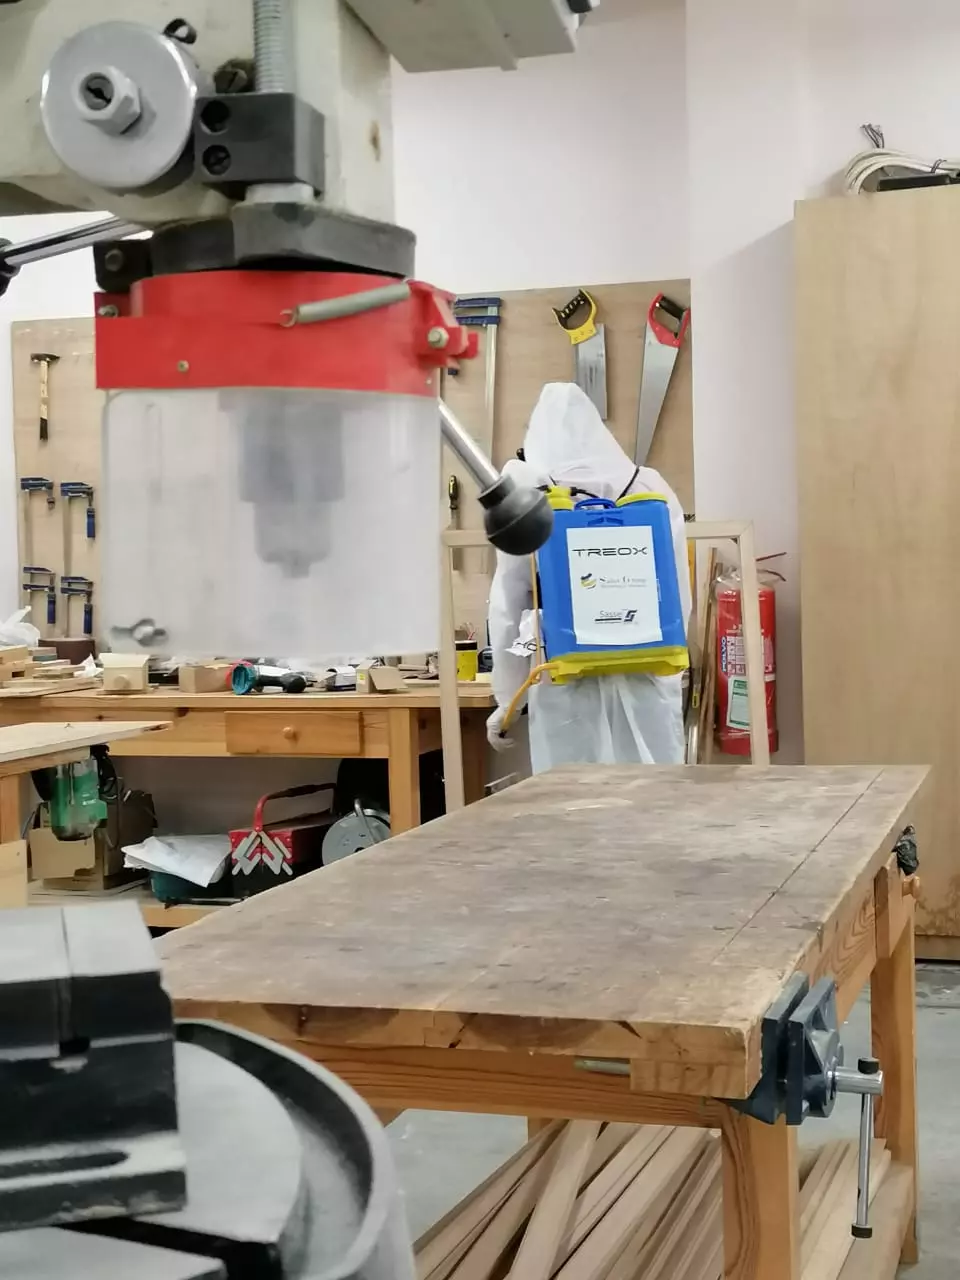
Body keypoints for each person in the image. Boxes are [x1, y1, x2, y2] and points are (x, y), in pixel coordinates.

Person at [486, 382, 692, 772]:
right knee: (653, 796)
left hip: (565, 678)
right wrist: (670, 667)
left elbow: (509, 604)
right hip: (646, 673)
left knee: (573, 798)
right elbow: (678, 589)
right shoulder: (651, 487)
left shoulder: (529, 498)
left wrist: (508, 697)